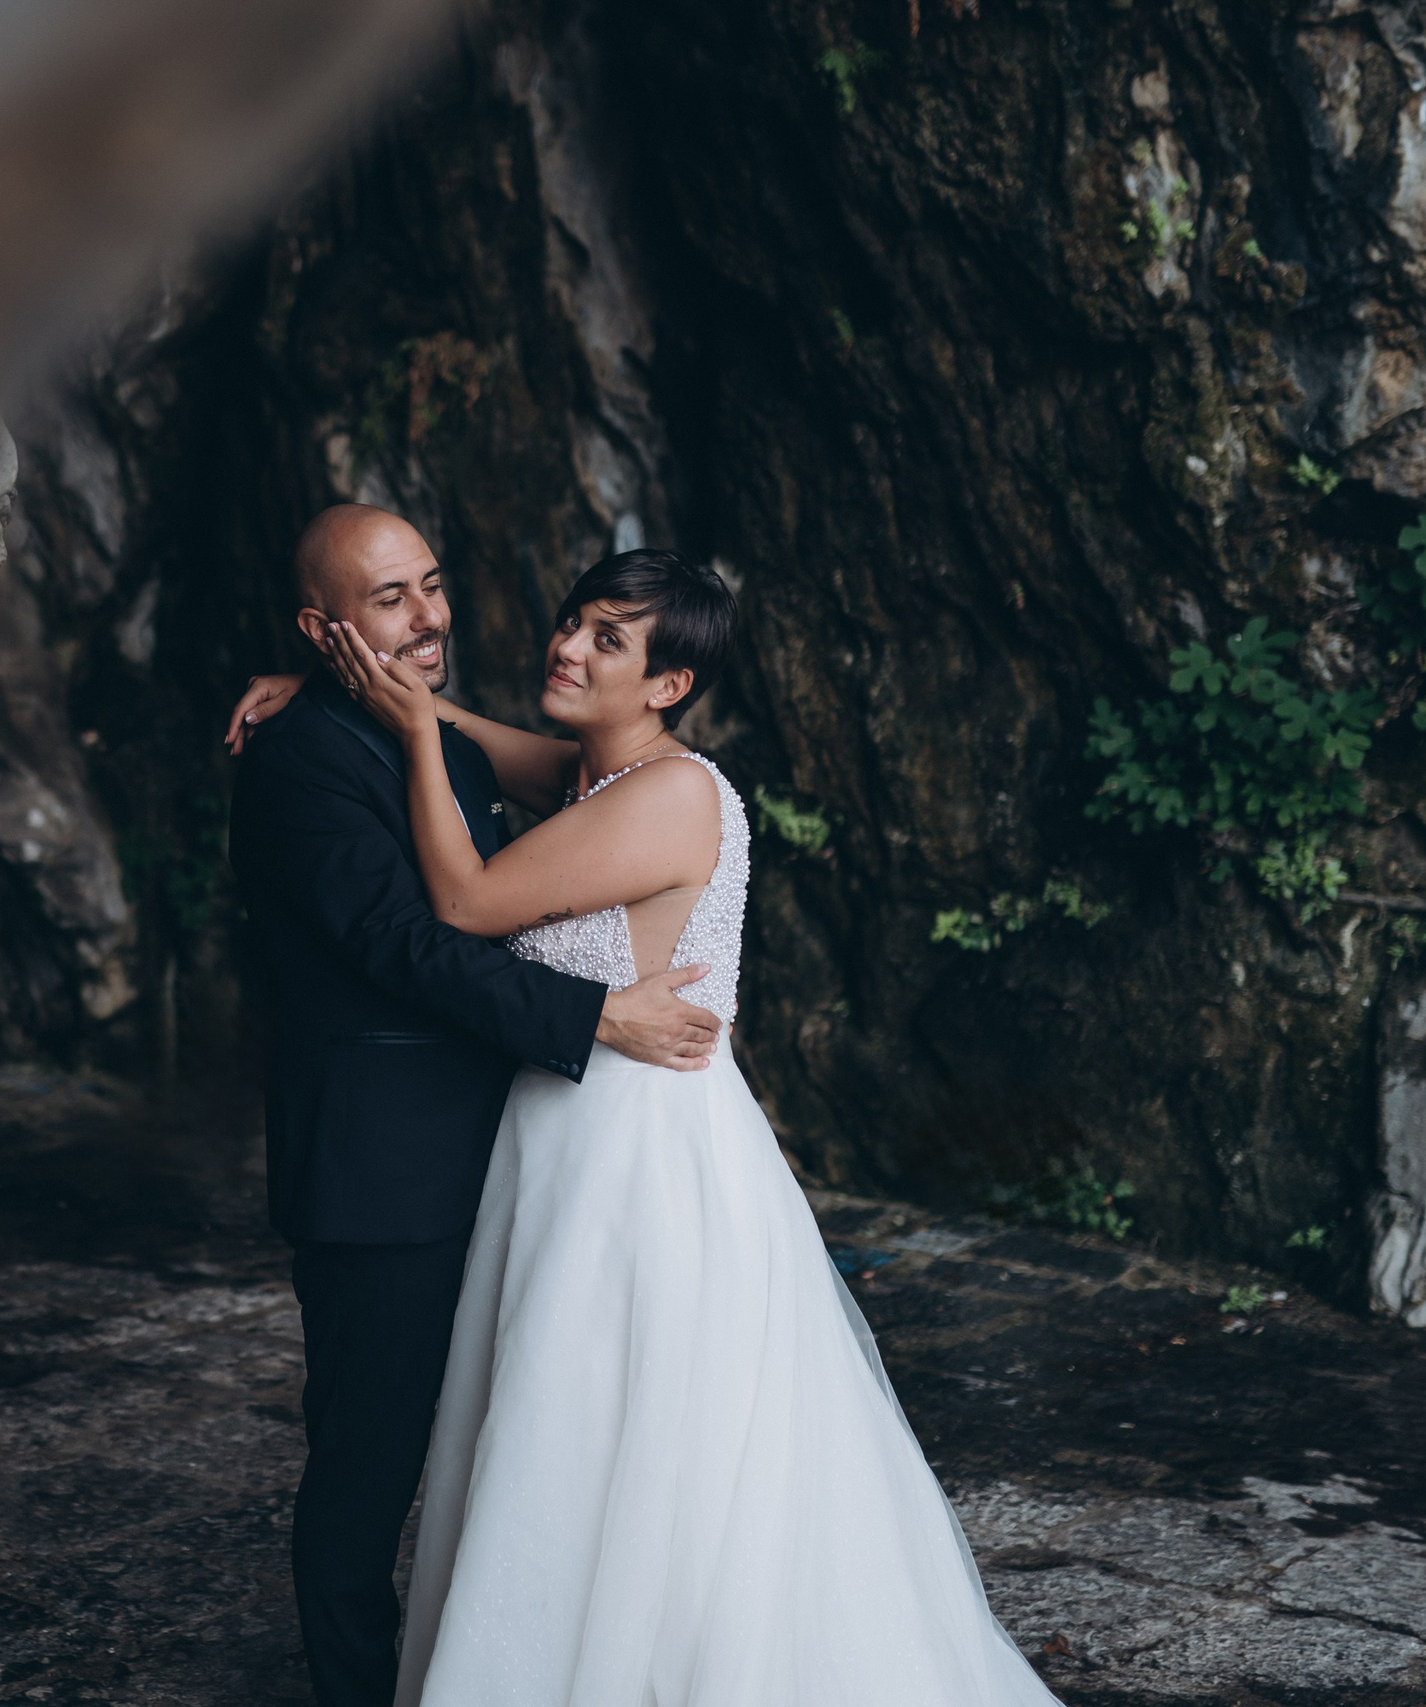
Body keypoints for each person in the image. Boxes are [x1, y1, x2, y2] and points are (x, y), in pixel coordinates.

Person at [230, 546, 1062, 1706]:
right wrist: (329, 692)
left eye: (607, 640)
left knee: (615, 1431)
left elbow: (466, 900)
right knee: (558, 1427)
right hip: (563, 1142)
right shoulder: (590, 773)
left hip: (634, 1155)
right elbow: (466, 726)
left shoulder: (671, 794)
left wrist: (412, 737)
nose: (567, 645)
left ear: (667, 685)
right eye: (574, 620)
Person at [224, 506, 728, 1707]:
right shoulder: (299, 762)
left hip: (506, 1154)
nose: (431, 615)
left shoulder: (451, 741)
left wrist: (384, 690)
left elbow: (517, 778)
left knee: (531, 1448)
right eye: (391, 599)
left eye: (433, 586)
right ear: (325, 627)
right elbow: (404, 941)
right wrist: (597, 1017)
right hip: (380, 1171)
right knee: (367, 1465)